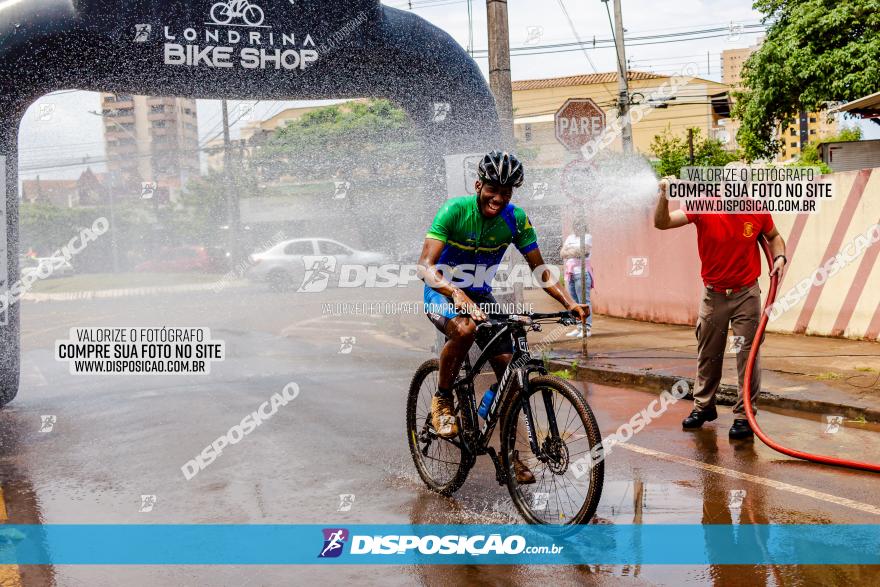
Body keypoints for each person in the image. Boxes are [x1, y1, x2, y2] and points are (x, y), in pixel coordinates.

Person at [418, 150, 590, 482]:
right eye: (493, 189)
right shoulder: (455, 211)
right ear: (478, 184)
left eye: (506, 192)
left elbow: (539, 269)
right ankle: (442, 399)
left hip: (481, 295)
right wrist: (455, 293)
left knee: (511, 372)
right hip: (441, 290)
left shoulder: (515, 219)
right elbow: (424, 267)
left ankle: (509, 456)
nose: (498, 197)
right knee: (465, 331)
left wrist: (569, 301)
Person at [653, 177, 786, 439]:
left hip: (746, 293)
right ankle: (703, 407)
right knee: (708, 352)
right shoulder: (703, 205)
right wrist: (664, 196)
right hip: (713, 294)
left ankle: (743, 414)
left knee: (746, 355)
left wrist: (780, 256)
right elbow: (662, 223)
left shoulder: (756, 209)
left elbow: (774, 236)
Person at [561, 221, 594, 338]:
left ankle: (587, 328)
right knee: (575, 302)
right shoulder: (570, 237)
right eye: (575, 225)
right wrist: (574, 252)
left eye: (579, 225)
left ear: (584, 226)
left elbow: (583, 252)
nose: (576, 228)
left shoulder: (588, 237)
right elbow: (562, 253)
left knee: (584, 301)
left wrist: (570, 251)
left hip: (582, 273)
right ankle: (579, 327)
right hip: (571, 274)